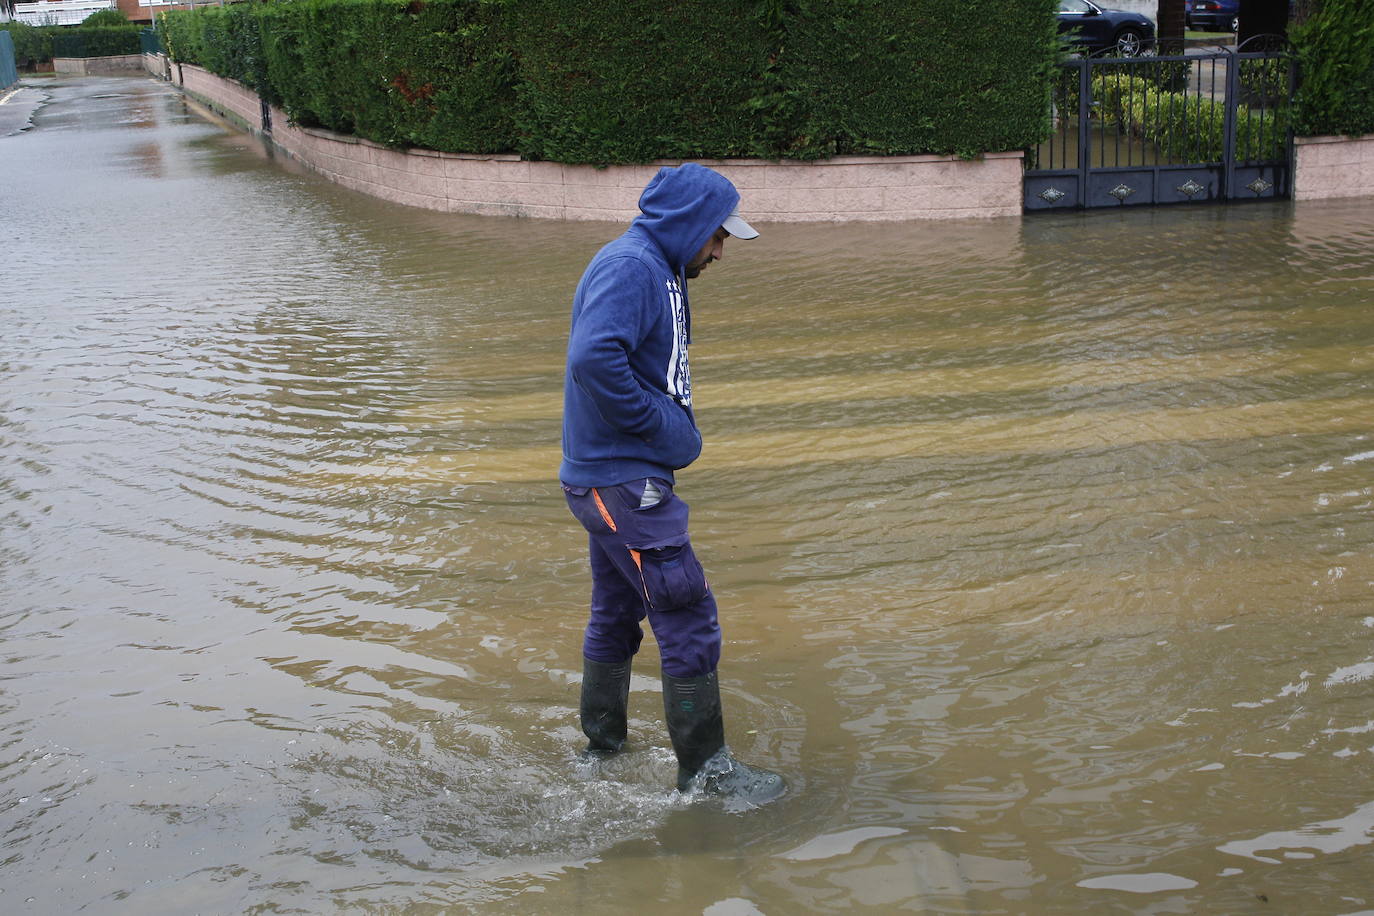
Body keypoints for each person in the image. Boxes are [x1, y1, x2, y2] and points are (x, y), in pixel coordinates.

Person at [560, 163, 785, 804]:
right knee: (686, 612)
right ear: (688, 224)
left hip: (610, 481)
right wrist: (661, 428)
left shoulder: (656, 266)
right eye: (716, 235)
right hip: (624, 484)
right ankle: (708, 776)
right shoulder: (632, 266)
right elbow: (592, 357)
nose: (720, 250)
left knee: (616, 611)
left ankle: (601, 748)